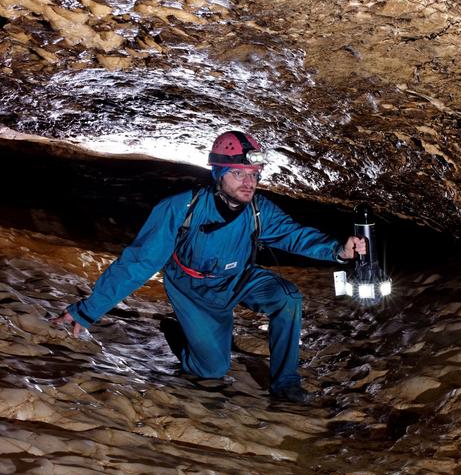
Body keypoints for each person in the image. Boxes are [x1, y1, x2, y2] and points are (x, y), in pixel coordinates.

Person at [52, 130, 366, 402]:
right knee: (212, 370)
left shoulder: (259, 210)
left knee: (288, 297)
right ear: (218, 173)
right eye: (239, 174)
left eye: (254, 173)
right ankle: (182, 334)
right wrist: (89, 309)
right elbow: (137, 263)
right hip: (193, 289)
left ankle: (285, 382)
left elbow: (294, 235)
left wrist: (338, 250)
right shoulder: (181, 209)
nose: (249, 182)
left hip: (238, 277)